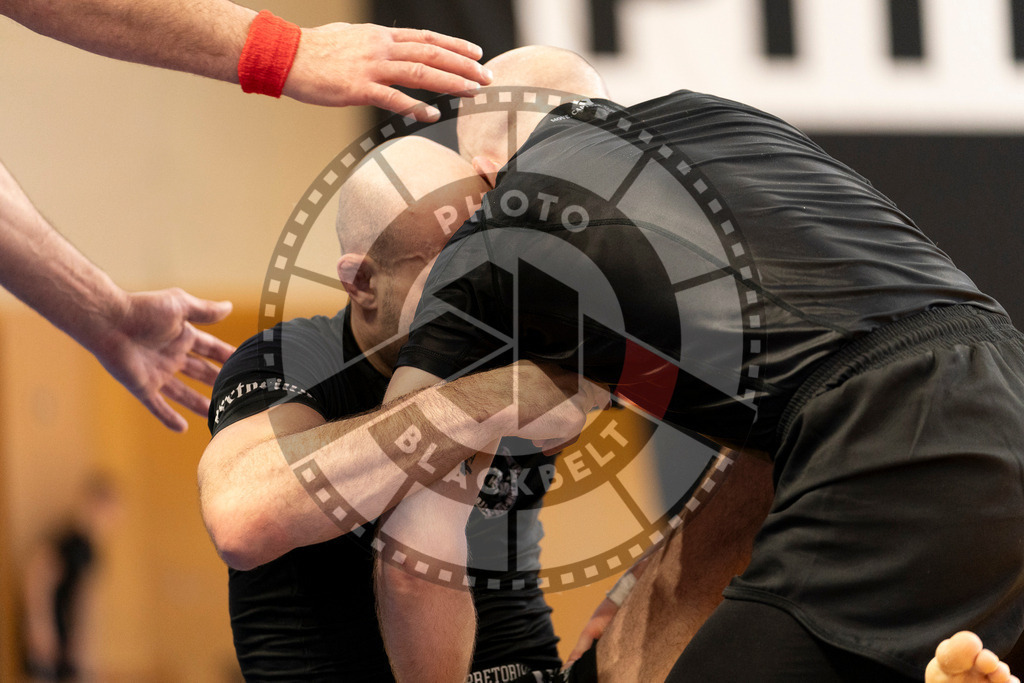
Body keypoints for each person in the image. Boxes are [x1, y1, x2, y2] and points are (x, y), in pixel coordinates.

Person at [369, 44, 1024, 682]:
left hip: (888, 439)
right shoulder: (728, 119)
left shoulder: (492, 233)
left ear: (485, 172)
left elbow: (411, 555)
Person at [0, 0, 494, 430]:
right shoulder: (292, 360)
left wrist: (100, 310)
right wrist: (282, 51)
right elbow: (245, 507)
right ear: (360, 280)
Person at [201, 137, 564, 682]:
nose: (485, 290)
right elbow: (240, 519)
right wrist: (490, 402)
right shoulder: (294, 360)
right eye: (450, 269)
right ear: (363, 282)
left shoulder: (521, 344)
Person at [20, 472, 121, 681]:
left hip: (66, 637)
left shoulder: (89, 547)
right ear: (94, 504)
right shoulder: (70, 540)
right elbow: (37, 576)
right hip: (52, 635)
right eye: (110, 511)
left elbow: (84, 602)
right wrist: (40, 626)